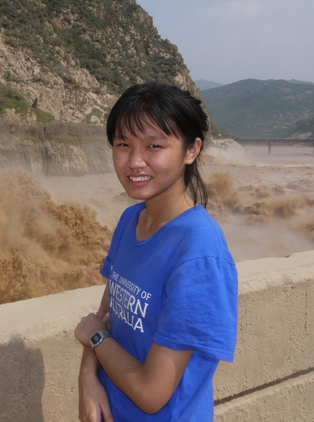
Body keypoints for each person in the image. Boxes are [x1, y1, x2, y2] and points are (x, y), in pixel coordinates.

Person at [74, 82, 238, 421]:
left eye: (154, 145)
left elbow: (152, 394)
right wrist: (88, 378)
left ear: (191, 150)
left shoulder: (199, 256)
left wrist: (95, 338)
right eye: (123, 144)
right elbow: (106, 316)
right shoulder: (131, 219)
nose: (135, 161)